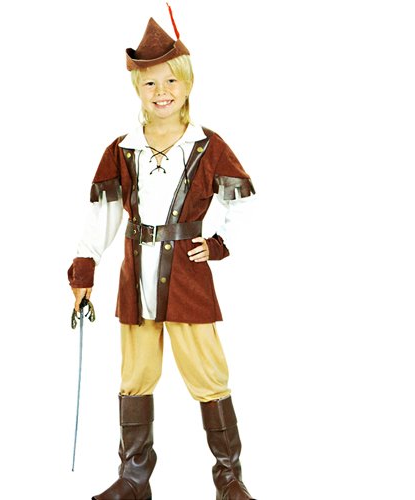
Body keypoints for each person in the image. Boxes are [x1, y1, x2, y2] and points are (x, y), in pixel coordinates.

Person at [68, 13, 257, 500]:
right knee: (135, 375)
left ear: (188, 84)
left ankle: (229, 477)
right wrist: (85, 266)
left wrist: (218, 243)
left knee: (208, 373)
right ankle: (134, 478)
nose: (161, 91)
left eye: (171, 80)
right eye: (150, 82)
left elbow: (242, 203)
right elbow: (104, 216)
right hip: (137, 278)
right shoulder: (123, 150)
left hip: (188, 277)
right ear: (137, 88)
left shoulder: (208, 146)